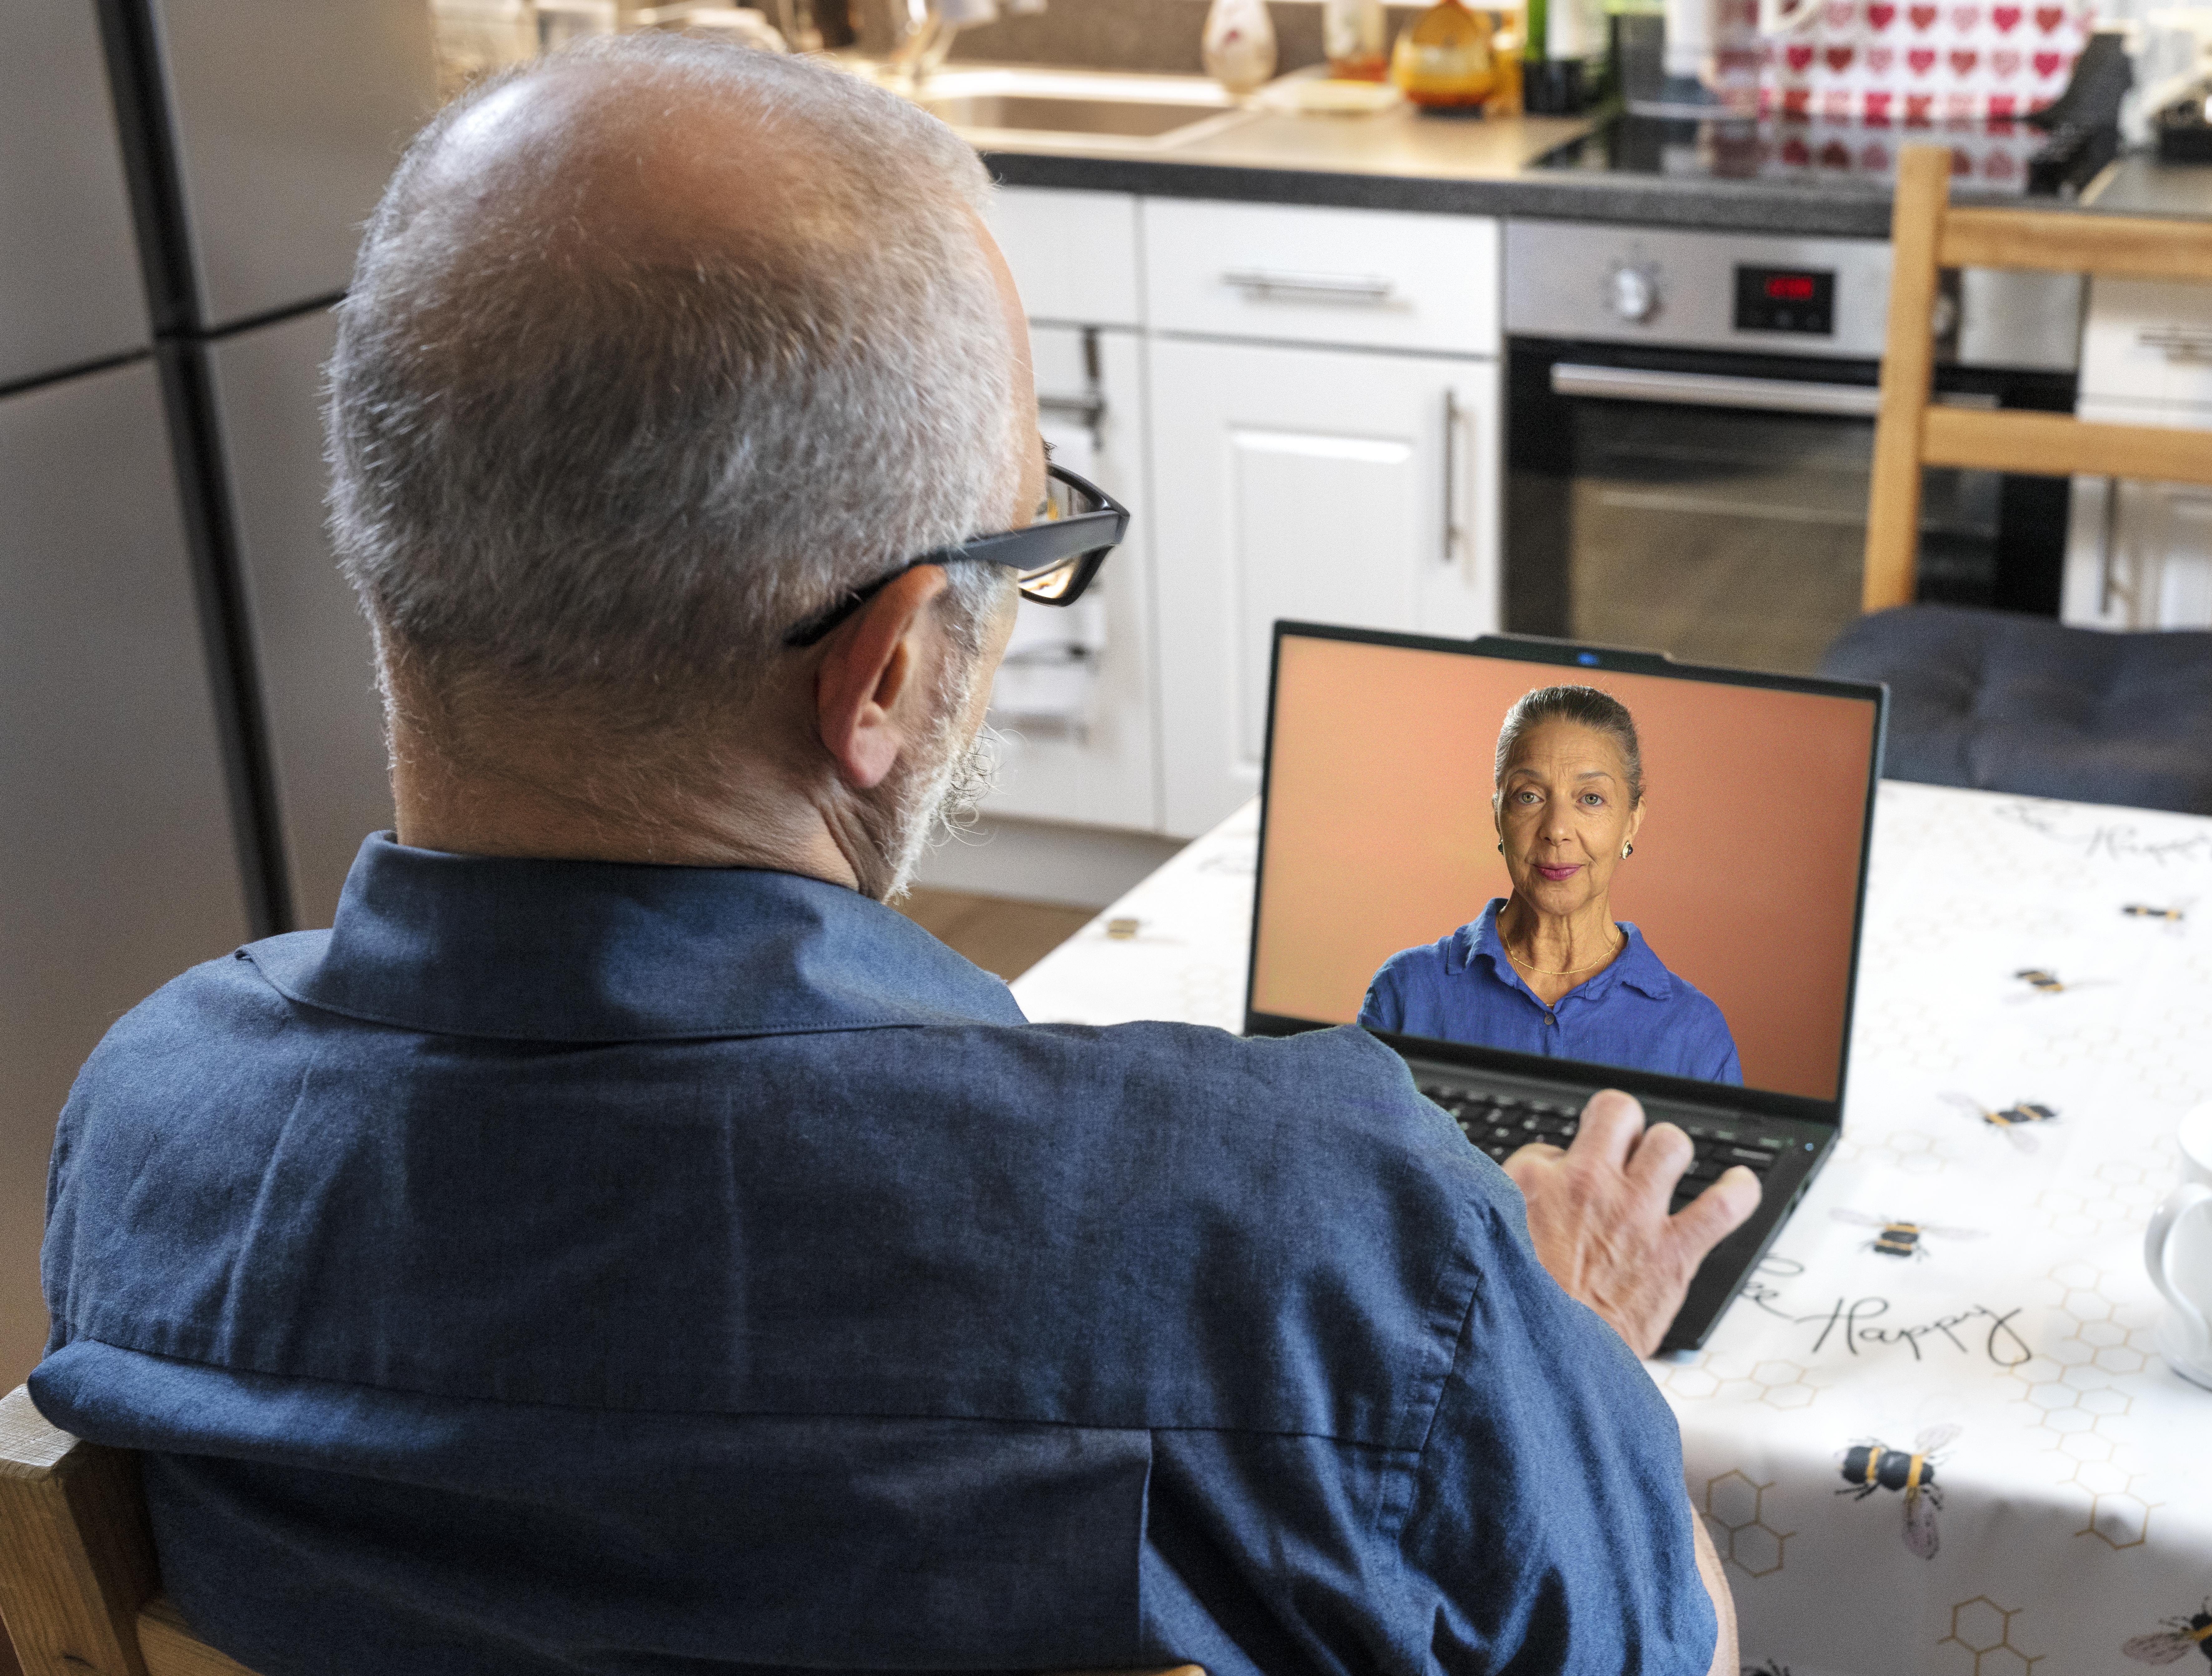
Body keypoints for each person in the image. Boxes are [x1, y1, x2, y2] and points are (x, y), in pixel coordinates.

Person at [31, 36, 1763, 1676]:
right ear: (887, 671)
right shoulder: (1318, 1250)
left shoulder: (145, 1136)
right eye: (1028, 545)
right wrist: (1577, 1366)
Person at [1361, 686, 1744, 1084]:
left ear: (1631, 821)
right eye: (1529, 796)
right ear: (1498, 814)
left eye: (1590, 799)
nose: (1557, 830)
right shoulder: (1406, 992)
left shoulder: (1694, 1033)